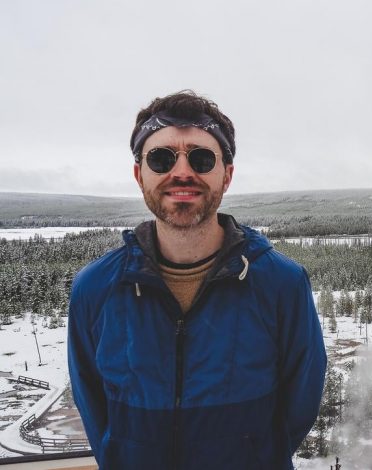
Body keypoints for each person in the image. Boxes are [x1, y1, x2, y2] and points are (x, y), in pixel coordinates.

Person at [68, 90, 327, 470]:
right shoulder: (97, 288)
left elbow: (299, 403)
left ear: (227, 175)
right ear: (140, 174)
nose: (183, 172)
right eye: (161, 158)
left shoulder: (280, 284)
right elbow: (94, 406)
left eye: (202, 158)